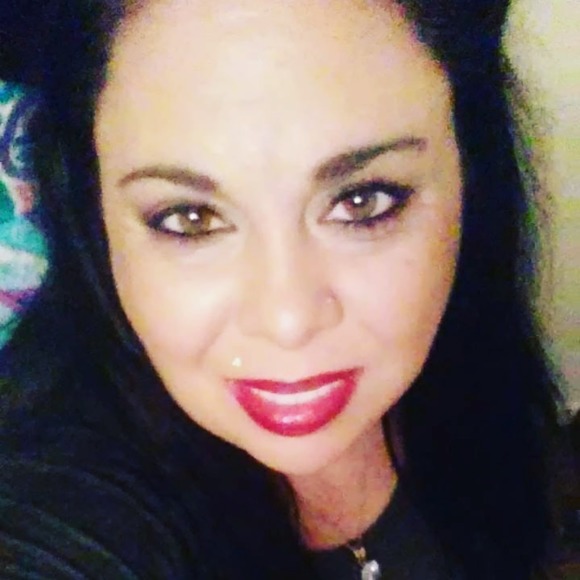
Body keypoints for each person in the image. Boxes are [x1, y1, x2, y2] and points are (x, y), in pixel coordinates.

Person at [0, 0, 563, 578]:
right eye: (190, 218)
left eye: (362, 201)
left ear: (469, 174)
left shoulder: (475, 372)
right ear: (94, 214)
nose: (287, 319)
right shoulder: (64, 512)